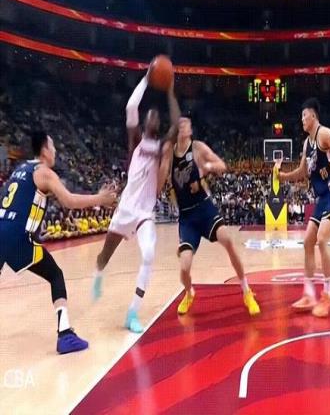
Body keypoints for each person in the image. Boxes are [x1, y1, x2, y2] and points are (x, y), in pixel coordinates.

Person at [0, 132, 116, 354]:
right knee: (55, 275)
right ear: (44, 150)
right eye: (52, 146)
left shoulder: (20, 169)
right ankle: (65, 335)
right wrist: (100, 199)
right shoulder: (44, 172)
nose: (55, 151)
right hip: (16, 237)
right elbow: (69, 201)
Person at [92, 71, 180, 333]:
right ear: (144, 122)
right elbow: (131, 106)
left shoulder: (161, 146)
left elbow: (176, 123)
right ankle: (98, 274)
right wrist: (146, 78)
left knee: (149, 254)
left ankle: (133, 312)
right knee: (104, 255)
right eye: (149, 116)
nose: (153, 118)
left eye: (156, 117)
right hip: (126, 209)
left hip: (144, 213)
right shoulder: (135, 141)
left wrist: (170, 91)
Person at [157, 115, 260, 316]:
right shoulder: (169, 152)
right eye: (180, 124)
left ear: (190, 130)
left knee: (227, 240)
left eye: (186, 124)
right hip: (187, 217)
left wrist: (207, 168)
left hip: (204, 209)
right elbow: (159, 183)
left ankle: (246, 291)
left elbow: (222, 165)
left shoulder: (197, 148)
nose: (183, 126)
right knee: (184, 267)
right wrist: (162, 161)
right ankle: (189, 292)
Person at [275, 98, 330, 317]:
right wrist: (282, 176)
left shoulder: (323, 134)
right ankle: (309, 293)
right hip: (322, 198)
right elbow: (302, 172)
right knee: (308, 242)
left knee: (322, 240)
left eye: (304, 115)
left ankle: (328, 293)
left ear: (313, 115)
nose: (302, 119)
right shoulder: (307, 144)